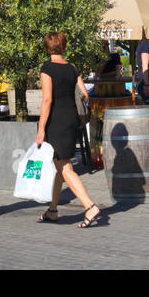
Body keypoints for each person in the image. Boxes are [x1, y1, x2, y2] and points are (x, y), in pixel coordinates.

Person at [35, 32, 103, 227]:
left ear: (47, 48)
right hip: (71, 119)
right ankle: (53, 210)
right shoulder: (72, 68)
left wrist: (41, 128)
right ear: (63, 46)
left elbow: (47, 100)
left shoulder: (47, 68)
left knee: (64, 166)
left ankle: (89, 206)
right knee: (59, 165)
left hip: (56, 121)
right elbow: (84, 94)